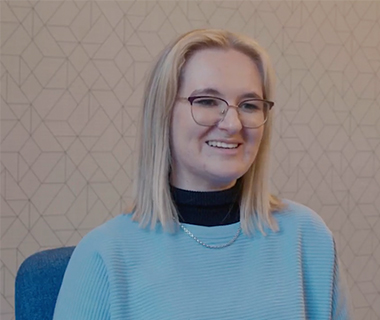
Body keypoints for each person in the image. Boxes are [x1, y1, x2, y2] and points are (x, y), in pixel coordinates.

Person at [53, 29, 352, 319]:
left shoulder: (308, 237)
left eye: (248, 105)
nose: (233, 124)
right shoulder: (104, 256)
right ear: (163, 113)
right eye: (208, 101)